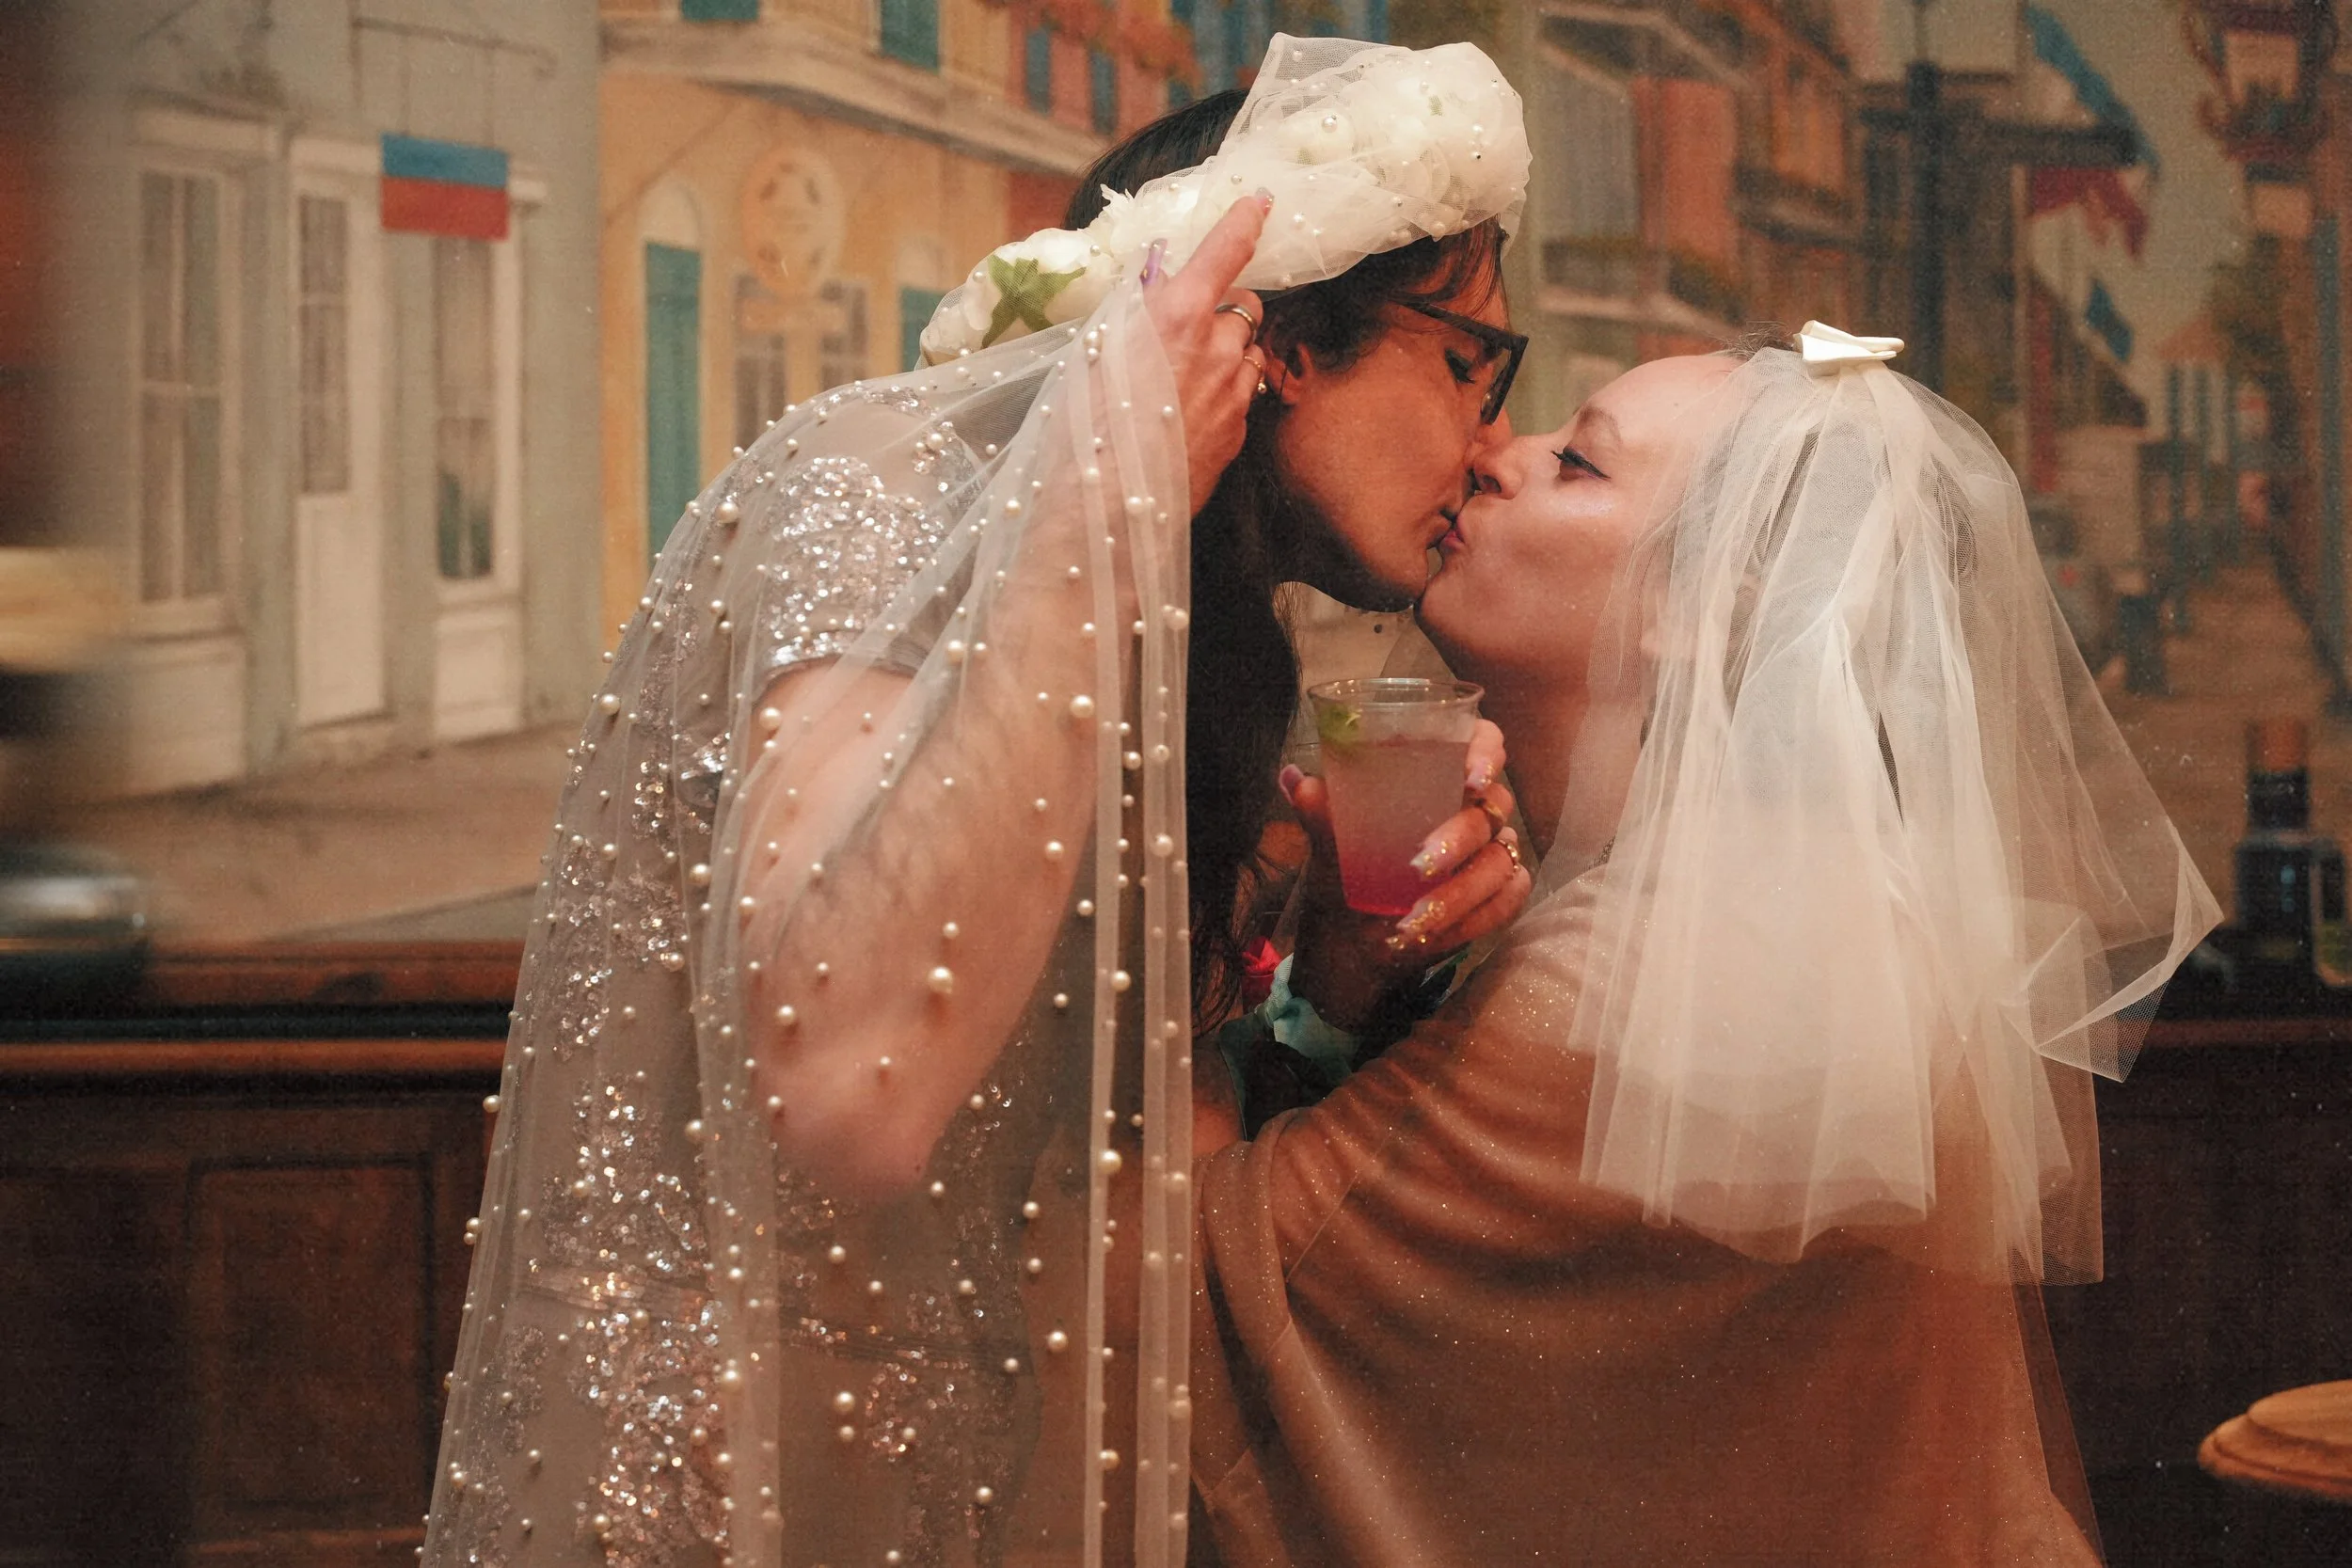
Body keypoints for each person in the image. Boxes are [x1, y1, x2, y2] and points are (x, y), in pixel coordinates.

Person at [421, 37, 1533, 1568]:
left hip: (985, 1484)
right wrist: (1101, 499)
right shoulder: (878, 485)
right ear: (1273, 336)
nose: (1487, 445)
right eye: (1471, 360)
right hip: (722, 1504)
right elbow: (855, 1093)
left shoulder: (1211, 638)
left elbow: (1087, 1159)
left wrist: (1333, 991)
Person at [1184, 329, 2220, 1564]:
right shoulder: (1779, 899)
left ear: (1699, 602)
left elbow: (1179, 1292)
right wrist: (1346, 976)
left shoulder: (1620, 982)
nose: (1495, 455)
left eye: (1578, 463)